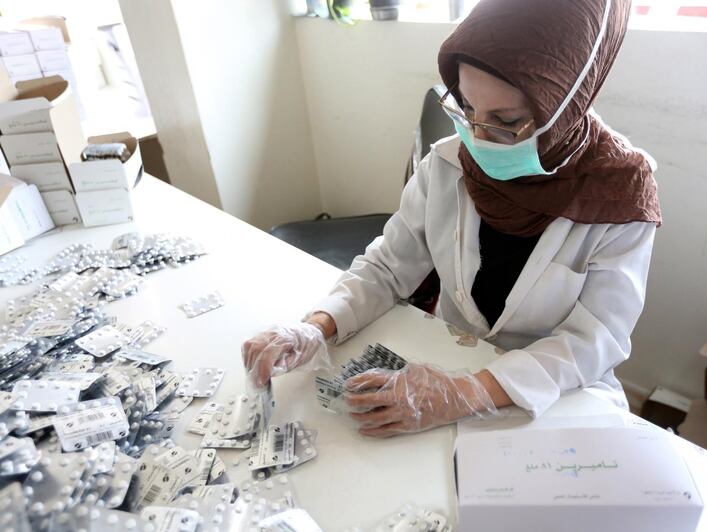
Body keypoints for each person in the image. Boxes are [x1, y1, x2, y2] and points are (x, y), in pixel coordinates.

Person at [242, 0, 661, 437]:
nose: (477, 140)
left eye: (506, 121)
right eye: (465, 108)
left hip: (554, 401)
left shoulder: (620, 195)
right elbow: (387, 268)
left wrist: (467, 393)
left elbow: (594, 339)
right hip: (446, 367)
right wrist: (315, 327)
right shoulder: (447, 164)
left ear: (564, 107)